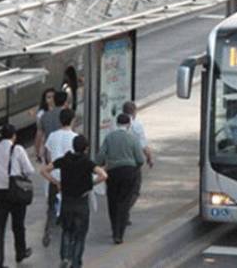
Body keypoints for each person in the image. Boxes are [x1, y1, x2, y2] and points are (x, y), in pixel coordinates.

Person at [40, 135, 107, 268]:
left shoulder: (64, 160)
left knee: (67, 231)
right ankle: (75, 263)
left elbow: (44, 170)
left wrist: (57, 182)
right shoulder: (87, 162)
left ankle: (65, 257)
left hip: (66, 202)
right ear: (86, 149)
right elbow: (103, 175)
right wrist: (91, 183)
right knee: (80, 235)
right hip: (81, 203)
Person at [0, 124, 34, 268]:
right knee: (18, 225)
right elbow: (29, 170)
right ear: (14, 136)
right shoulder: (18, 149)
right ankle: (20, 252)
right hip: (16, 192)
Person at [96, 114, 145, 244]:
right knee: (124, 202)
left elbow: (100, 155)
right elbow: (140, 159)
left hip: (113, 172)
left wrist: (99, 165)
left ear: (117, 124)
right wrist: (135, 169)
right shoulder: (132, 138)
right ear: (129, 124)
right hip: (128, 172)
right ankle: (120, 234)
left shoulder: (109, 137)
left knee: (112, 201)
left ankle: (114, 229)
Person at [42, 108, 78, 248]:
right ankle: (65, 234)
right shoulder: (75, 137)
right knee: (68, 208)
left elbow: (48, 155)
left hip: (54, 177)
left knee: (51, 206)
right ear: (73, 120)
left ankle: (48, 230)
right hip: (69, 179)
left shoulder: (52, 136)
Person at [122, 101, 153, 219]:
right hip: (133, 163)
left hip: (117, 162)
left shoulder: (116, 124)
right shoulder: (137, 125)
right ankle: (125, 209)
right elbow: (143, 145)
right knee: (134, 189)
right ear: (134, 112)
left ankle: (121, 209)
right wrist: (149, 158)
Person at [35, 88, 56, 163]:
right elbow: (39, 133)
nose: (51, 99)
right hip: (48, 146)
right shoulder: (41, 114)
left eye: (53, 97)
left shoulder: (61, 110)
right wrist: (37, 151)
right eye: (48, 97)